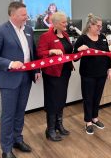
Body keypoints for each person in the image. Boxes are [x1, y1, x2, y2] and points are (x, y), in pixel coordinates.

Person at [0, 2, 41, 158]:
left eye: (26, 14)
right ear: (13, 15)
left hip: (26, 77)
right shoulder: (0, 30)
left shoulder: (29, 30)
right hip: (9, 78)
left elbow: (33, 53)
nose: (27, 17)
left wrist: (36, 69)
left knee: (20, 112)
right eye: (23, 15)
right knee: (8, 114)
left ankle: (17, 139)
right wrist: (10, 63)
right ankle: (6, 148)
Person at [73, 13, 111, 135]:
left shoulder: (103, 37)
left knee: (97, 97)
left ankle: (95, 118)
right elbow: (74, 57)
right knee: (88, 98)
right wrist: (79, 50)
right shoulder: (83, 39)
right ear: (91, 25)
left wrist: (109, 69)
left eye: (101, 26)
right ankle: (88, 121)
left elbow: (107, 54)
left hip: (101, 73)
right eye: (98, 26)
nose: (100, 29)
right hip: (88, 74)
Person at [37, 12, 74, 141]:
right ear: (56, 23)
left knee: (61, 99)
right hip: (52, 74)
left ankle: (59, 125)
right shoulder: (46, 36)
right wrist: (51, 51)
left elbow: (69, 51)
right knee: (52, 100)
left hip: (65, 72)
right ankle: (50, 129)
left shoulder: (65, 35)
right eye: (64, 22)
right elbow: (40, 53)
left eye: (66, 21)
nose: (66, 24)